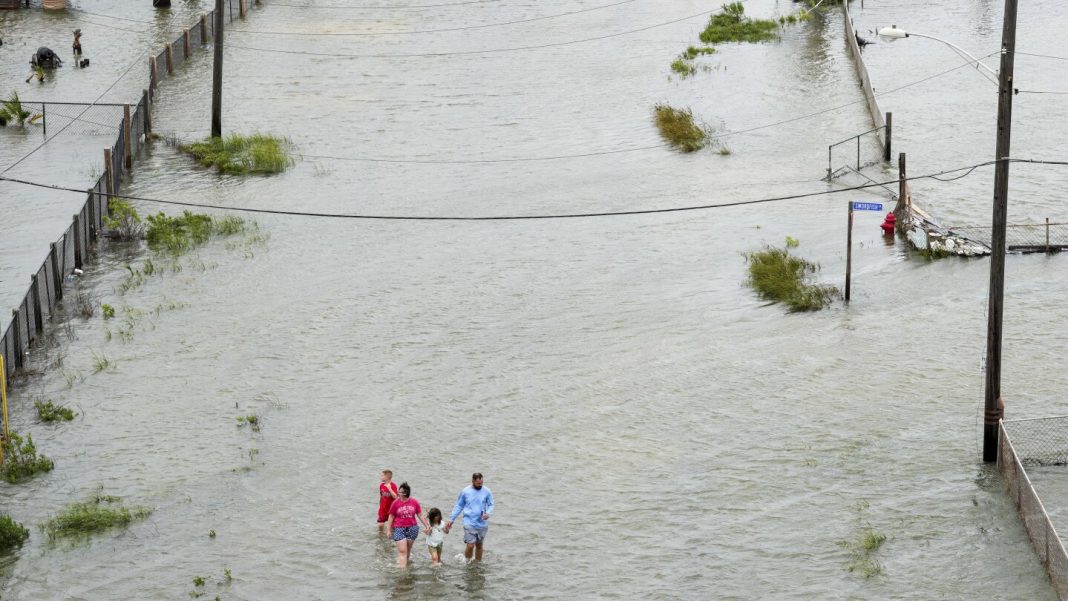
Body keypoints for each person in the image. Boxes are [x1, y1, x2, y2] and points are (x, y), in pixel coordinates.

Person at [445, 472, 494, 562]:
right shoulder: (465, 491)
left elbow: (491, 504)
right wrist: (452, 519)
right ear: (473, 481)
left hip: (482, 523)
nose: (480, 485)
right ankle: (467, 562)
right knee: (470, 545)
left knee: (479, 545)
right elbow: (459, 506)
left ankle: (477, 563)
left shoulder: (487, 491)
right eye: (478, 483)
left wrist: (488, 513)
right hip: (469, 522)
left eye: (481, 483)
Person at [385, 482, 430, 568]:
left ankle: (406, 565)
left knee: (407, 550)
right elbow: (390, 517)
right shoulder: (395, 503)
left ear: (405, 493)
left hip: (412, 528)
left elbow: (420, 515)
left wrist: (427, 525)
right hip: (398, 529)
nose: (398, 493)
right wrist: (388, 530)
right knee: (402, 551)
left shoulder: (414, 502)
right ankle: (403, 572)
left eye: (400, 491)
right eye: (399, 491)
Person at [377, 469, 399, 534]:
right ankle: (381, 537)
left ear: (386, 477)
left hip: (391, 510)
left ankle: (390, 538)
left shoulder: (393, 485)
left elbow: (395, 497)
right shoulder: (381, 485)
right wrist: (380, 506)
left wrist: (389, 488)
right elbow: (381, 496)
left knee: (391, 527)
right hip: (383, 509)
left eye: (382, 476)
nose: (381, 477)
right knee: (380, 525)